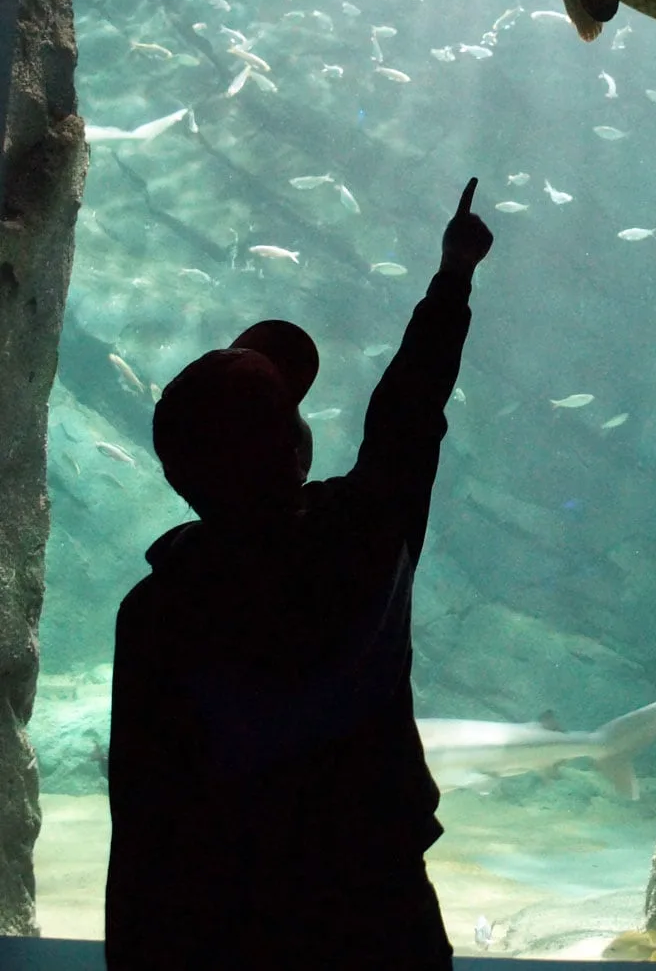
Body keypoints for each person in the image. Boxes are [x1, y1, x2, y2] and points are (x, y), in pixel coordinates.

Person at [104, 178, 493, 971]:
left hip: (228, 921)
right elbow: (407, 414)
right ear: (295, 452)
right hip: (380, 903)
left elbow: (143, 819)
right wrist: (454, 276)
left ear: (179, 473)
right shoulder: (367, 536)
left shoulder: (158, 610)